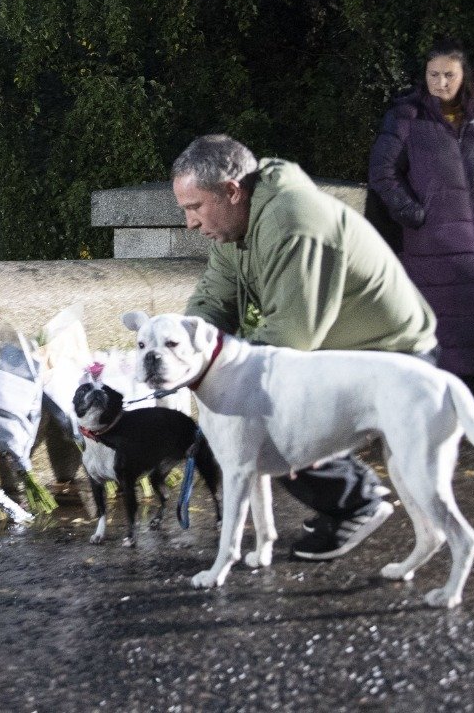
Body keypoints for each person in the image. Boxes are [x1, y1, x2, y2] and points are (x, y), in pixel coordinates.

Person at [172, 134, 440, 561]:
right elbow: (211, 302)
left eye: (194, 207)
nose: (190, 223)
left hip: (396, 356)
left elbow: (288, 345)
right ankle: (346, 493)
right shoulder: (235, 231)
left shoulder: (292, 221)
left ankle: (357, 501)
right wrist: (179, 352)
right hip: (346, 351)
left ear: (231, 191)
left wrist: (216, 379)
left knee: (270, 420)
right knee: (260, 414)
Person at [369, 39, 474, 431]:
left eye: (449, 75)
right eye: (433, 75)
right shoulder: (406, 117)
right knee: (451, 324)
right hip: (437, 242)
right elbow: (382, 172)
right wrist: (415, 214)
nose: (441, 82)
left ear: (463, 76)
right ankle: (460, 409)